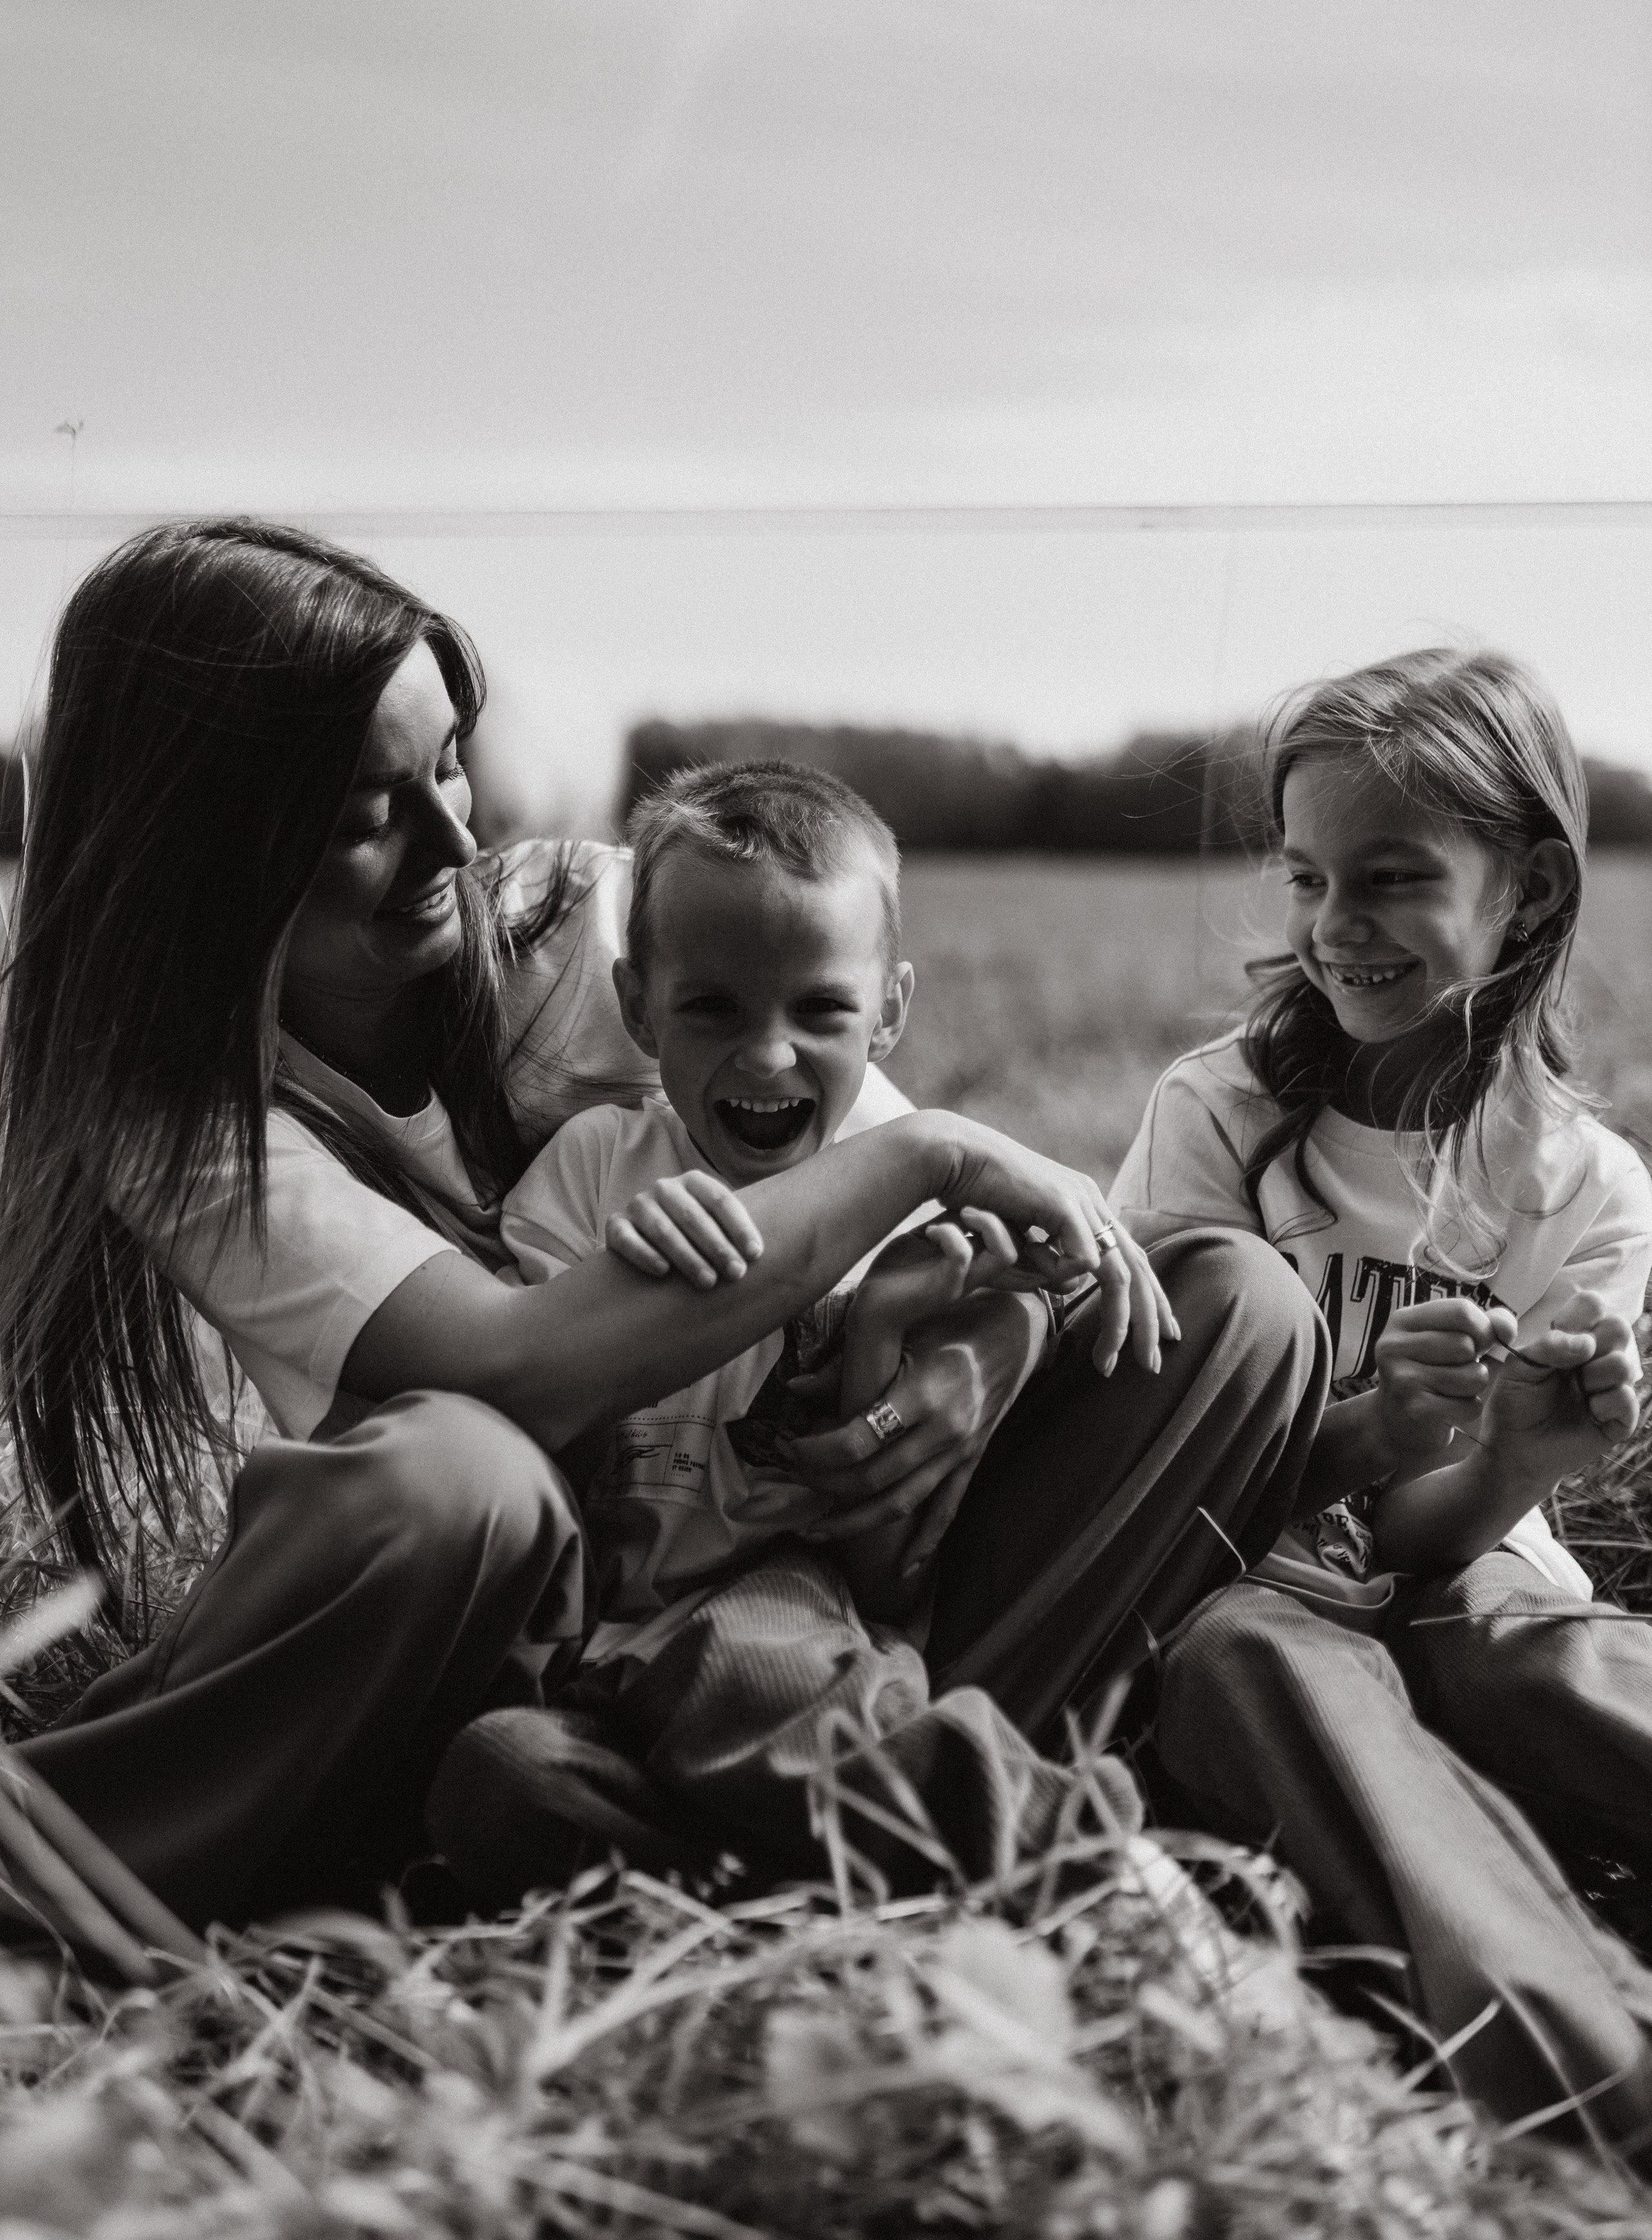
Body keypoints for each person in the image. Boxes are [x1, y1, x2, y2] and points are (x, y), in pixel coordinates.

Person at [0, 518, 1325, 1936]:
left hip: (812, 1568)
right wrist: (938, 1152)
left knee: (1230, 1305)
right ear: (206, 847)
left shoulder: (593, 921)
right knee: (457, 1477)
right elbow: (513, 1367)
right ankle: (78, 1864)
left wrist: (985, 1335)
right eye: (363, 815)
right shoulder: (170, 1107)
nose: (457, 834)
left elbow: (885, 1196)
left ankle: (768, 1818)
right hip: (516, 1624)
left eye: (451, 760)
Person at [1111, 647, 1652, 2139]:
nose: (1332, 929)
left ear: (1527, 891)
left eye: (1391, 879)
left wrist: (1504, 1465)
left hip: (1462, 1577)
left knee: (1513, 1648)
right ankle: (1588, 2068)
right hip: (1247, 1587)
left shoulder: (1588, 1193)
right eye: (1304, 880)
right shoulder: (1211, 1120)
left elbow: (1431, 1552)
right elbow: (1144, 1492)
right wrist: (1360, 1431)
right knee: (1246, 1661)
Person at [488, 758, 1114, 1887]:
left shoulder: (918, 1211)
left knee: (742, 1664)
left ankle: (1081, 1865)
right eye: (712, 1007)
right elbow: (535, 1451)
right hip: (594, 1658)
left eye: (821, 1008)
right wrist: (625, 1297)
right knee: (500, 1778)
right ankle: (803, 1884)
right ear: (637, 1006)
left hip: (781, 1621)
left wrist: (882, 1336)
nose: (768, 1054)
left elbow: (886, 1571)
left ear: (891, 1012)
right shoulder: (591, 1173)